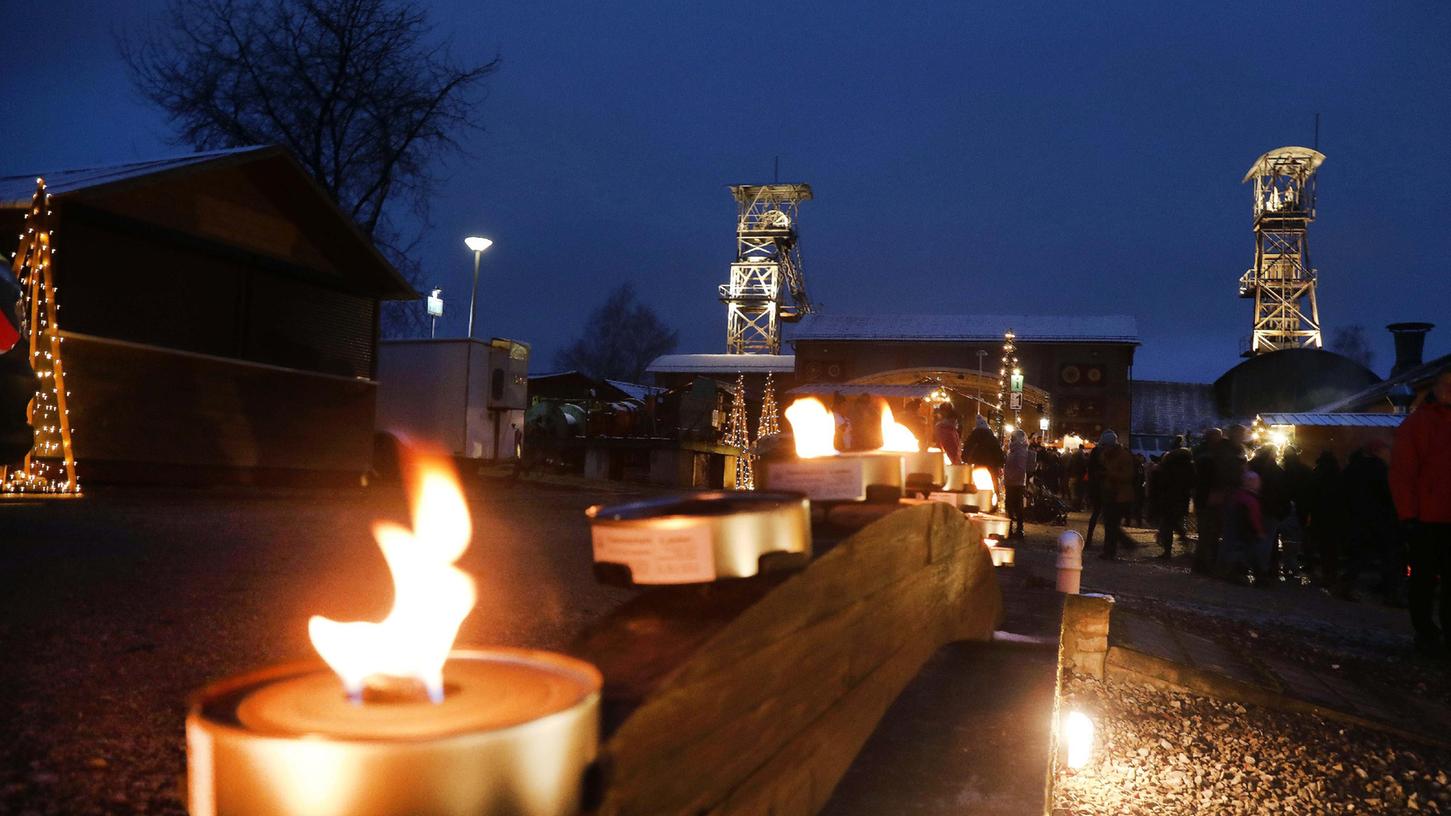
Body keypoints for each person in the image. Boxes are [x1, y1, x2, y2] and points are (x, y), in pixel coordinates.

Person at [1391, 369, 1451, 657]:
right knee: (1424, 582)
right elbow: (1402, 474)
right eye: (1447, 385)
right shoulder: (1418, 424)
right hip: (1426, 520)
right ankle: (1426, 633)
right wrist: (1408, 516)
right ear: (1437, 388)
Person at [1340, 440, 1399, 604]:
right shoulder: (1379, 469)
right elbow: (1388, 494)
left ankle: (1346, 586)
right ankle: (1389, 593)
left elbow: (1343, 494)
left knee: (1358, 556)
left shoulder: (1350, 469)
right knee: (1388, 556)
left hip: (1356, 518)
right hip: (1378, 519)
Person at [1250, 446, 1291, 579]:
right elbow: (1284, 493)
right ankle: (1262, 570)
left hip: (1251, 508)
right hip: (1271, 510)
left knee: (1250, 539)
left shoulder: (1251, 467)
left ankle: (1246, 566)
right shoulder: (1277, 471)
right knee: (1267, 541)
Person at [1220, 470, 1266, 584]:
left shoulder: (1237, 496)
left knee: (1238, 554)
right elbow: (1254, 518)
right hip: (1248, 533)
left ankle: (1234, 573)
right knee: (1251, 554)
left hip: (1237, 532)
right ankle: (1256, 577)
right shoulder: (1250, 500)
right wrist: (1259, 531)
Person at [1155, 435, 1195, 559]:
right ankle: (1183, 544)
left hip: (1169, 497)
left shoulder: (1168, 462)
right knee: (1175, 523)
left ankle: (1168, 550)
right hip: (1182, 497)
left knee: (1169, 523)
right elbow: (1192, 481)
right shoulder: (1189, 465)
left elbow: (1162, 481)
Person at [1282, 446, 1316, 571]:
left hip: (1288, 506)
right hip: (1304, 505)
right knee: (1305, 534)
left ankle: (1289, 562)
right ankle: (1308, 561)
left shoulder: (1284, 470)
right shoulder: (1305, 469)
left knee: (1288, 535)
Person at [963, 416, 1004, 502]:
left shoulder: (973, 437)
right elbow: (998, 452)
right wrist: (1000, 464)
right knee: (993, 484)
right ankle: (993, 502)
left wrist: (965, 460)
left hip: (977, 464)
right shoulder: (992, 438)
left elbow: (967, 450)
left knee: (975, 484)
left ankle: (975, 502)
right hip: (991, 466)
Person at [1003, 429, 1032, 539]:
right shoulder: (1013, 450)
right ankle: (1011, 528)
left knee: (1015, 506)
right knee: (1012, 506)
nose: (1011, 439)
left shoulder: (1019, 451)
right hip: (1012, 482)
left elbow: (1020, 468)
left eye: (1013, 437)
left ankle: (1018, 529)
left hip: (1016, 483)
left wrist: (1011, 476)